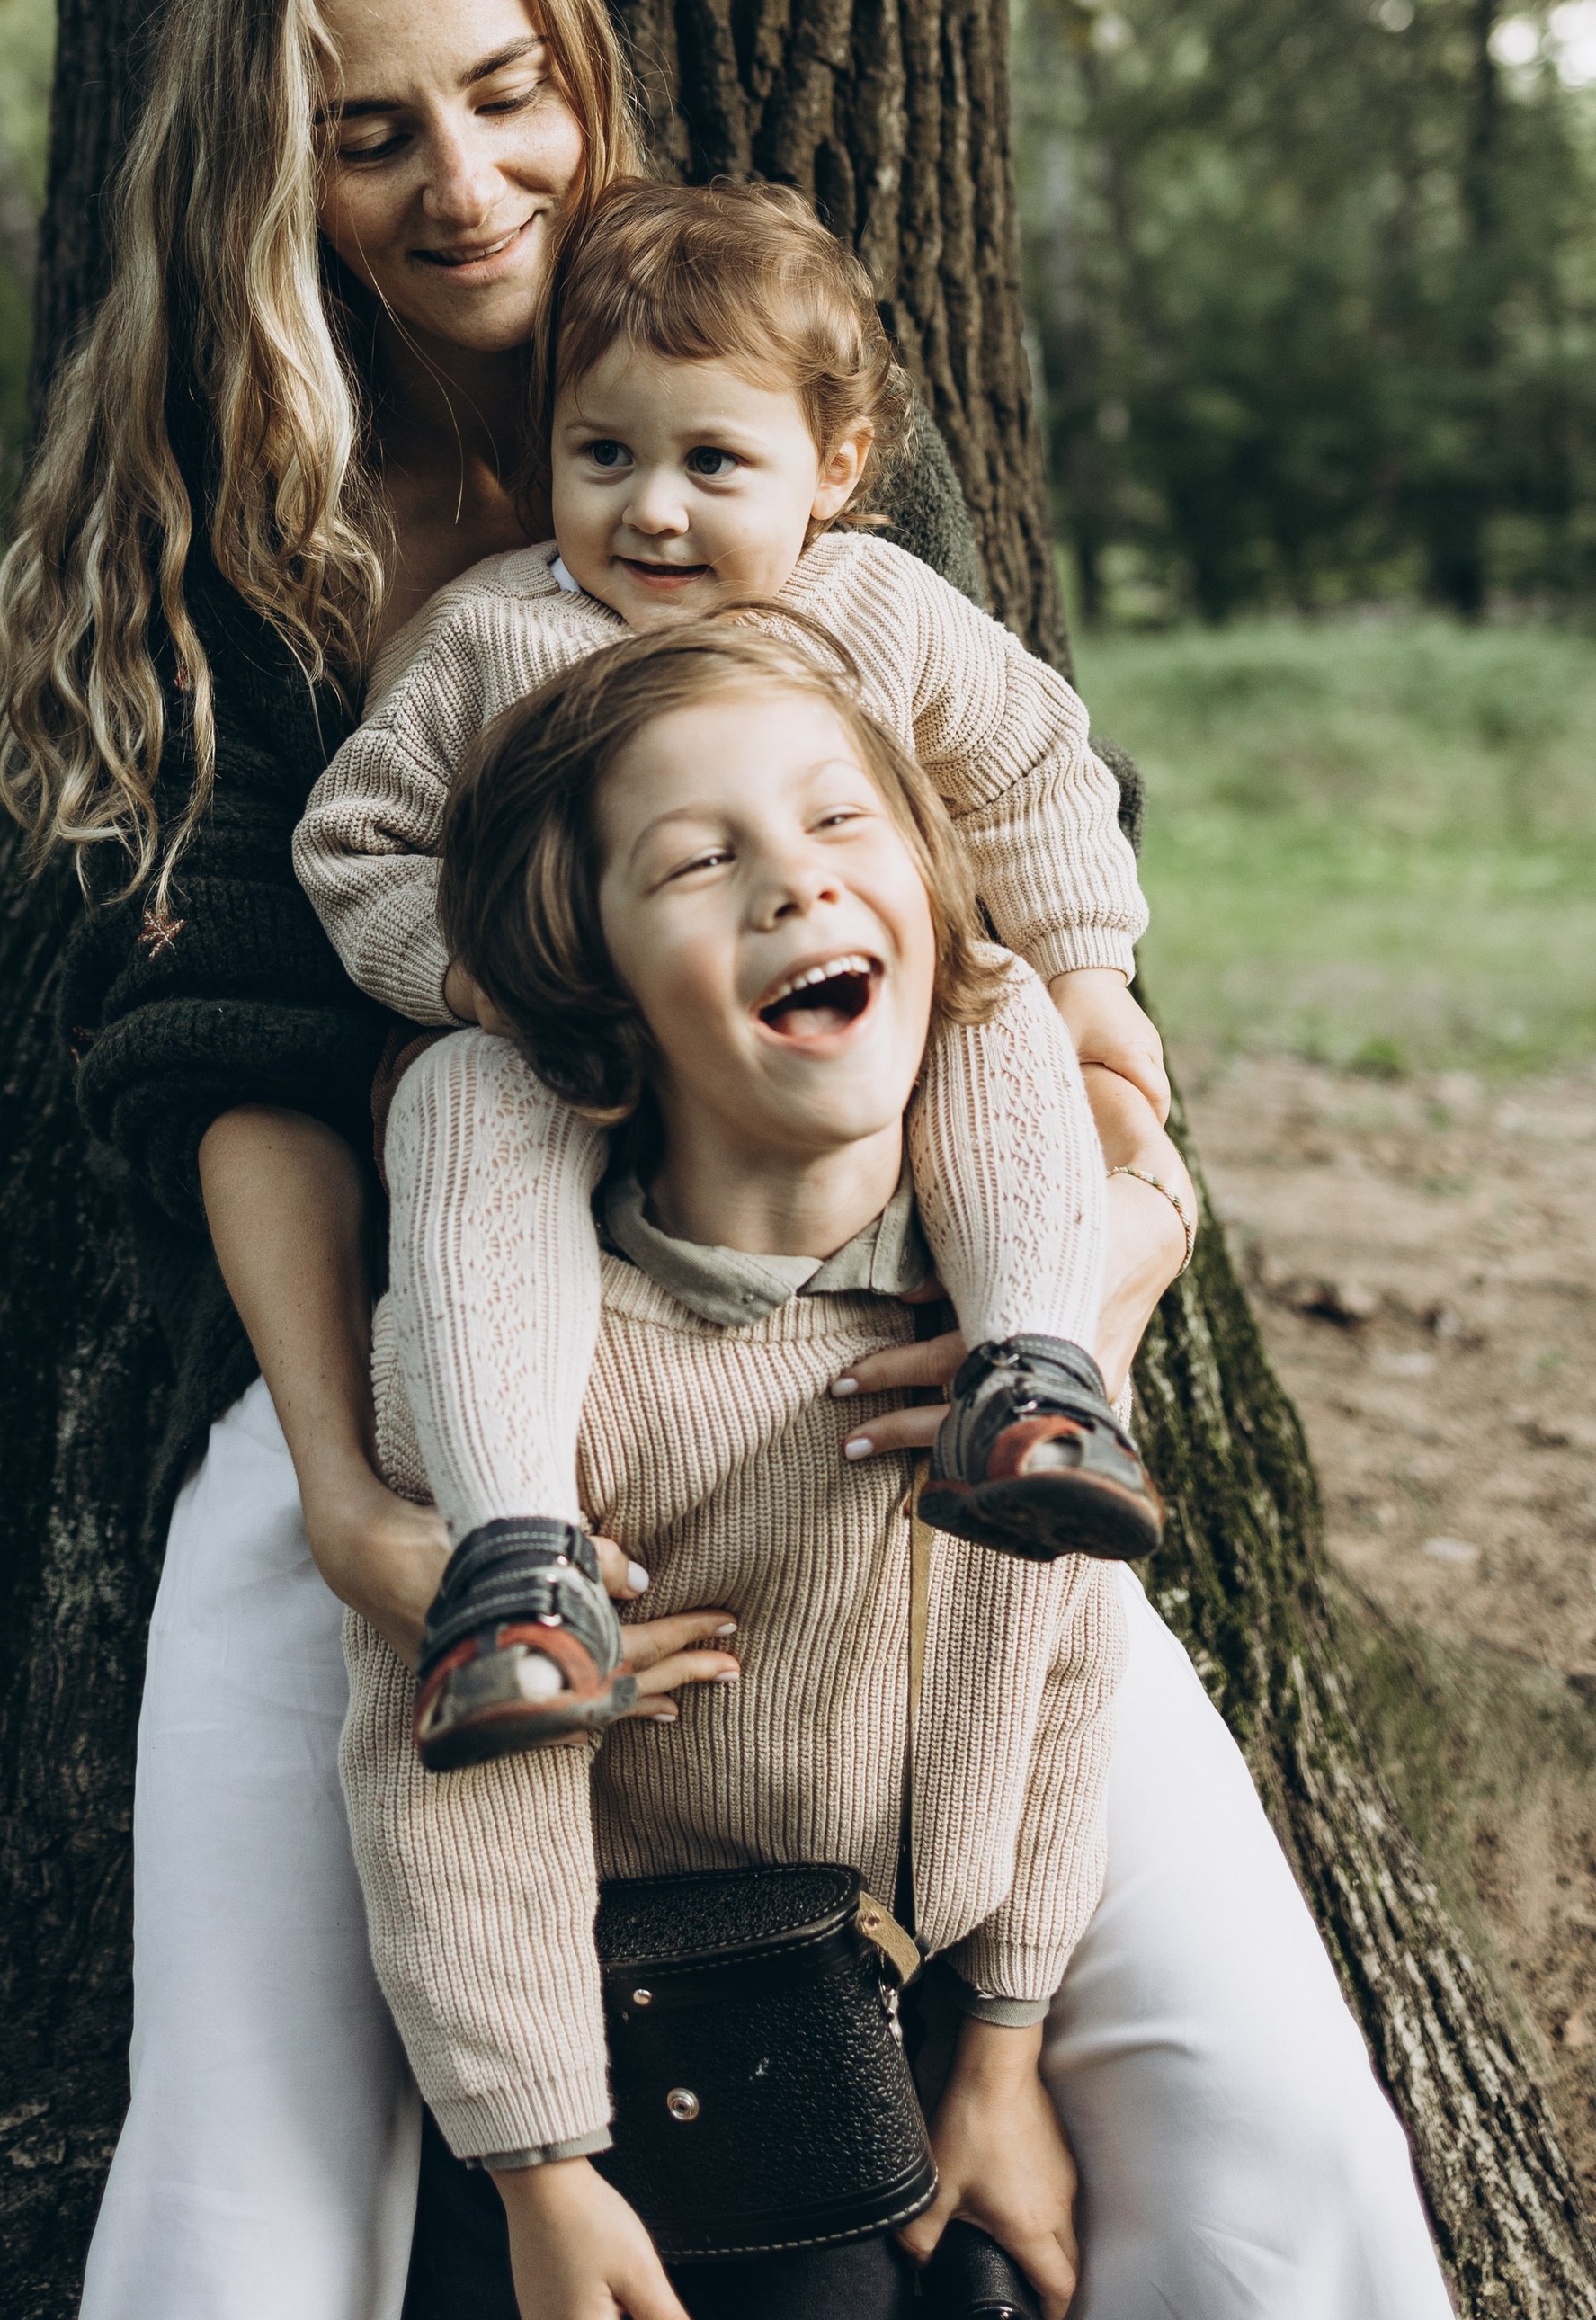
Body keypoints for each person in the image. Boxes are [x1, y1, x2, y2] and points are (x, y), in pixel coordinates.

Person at [0, 0, 1451, 2318]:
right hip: (453, 1345)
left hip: (878, 1315)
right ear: (276, 176)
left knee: (1251, 2084)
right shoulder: (267, 531)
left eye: (508, 86)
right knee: (255, 2127)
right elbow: (228, 1048)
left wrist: (1102, 1245)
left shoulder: (750, 357)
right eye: (374, 133)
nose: (468, 180)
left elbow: (976, 860)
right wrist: (345, 1487)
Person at [295, 176, 1186, 1771]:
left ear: (833, 470)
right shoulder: (491, 641)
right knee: (456, 1091)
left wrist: (1090, 968)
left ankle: (1031, 1376)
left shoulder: (879, 614)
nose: (651, 512)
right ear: (548, 445)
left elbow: (1036, 771)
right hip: (583, 1064)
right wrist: (485, 980)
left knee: (987, 1001)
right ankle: (514, 1556)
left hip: (822, 1087)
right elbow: (357, 844)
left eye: (714, 463)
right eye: (604, 456)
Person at [344, 622, 1119, 2320]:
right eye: (700, 860)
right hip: (640, 2045)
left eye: (843, 827)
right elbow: (456, 1799)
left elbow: (1065, 1677)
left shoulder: (1003, 1344)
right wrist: (546, 2173)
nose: (792, 885)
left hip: (940, 2012)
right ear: (587, 967)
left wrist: (1003, 2054)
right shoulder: (546, 1375)